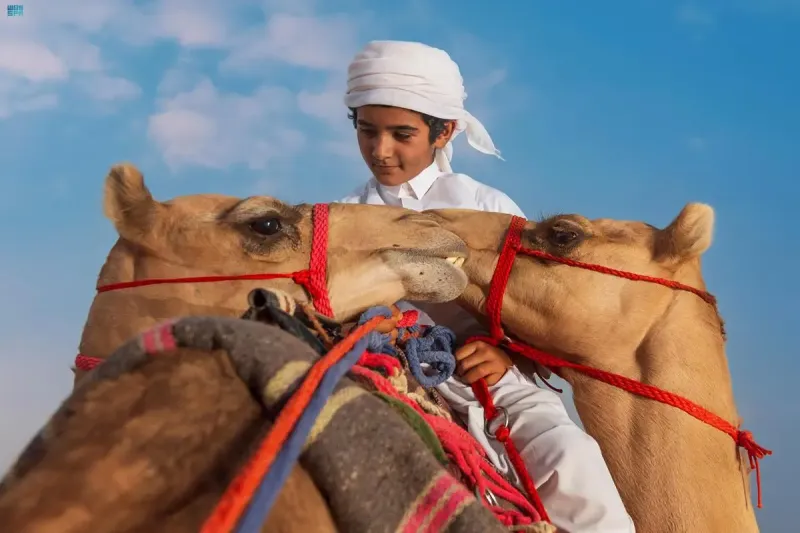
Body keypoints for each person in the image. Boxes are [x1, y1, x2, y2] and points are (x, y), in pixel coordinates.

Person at [337, 40, 635, 533]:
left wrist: (508, 356)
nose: (380, 149)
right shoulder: (341, 218)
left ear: (444, 130)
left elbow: (539, 308)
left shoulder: (487, 206)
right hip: (380, 373)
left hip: (494, 385)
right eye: (367, 131)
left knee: (572, 458)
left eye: (400, 134)